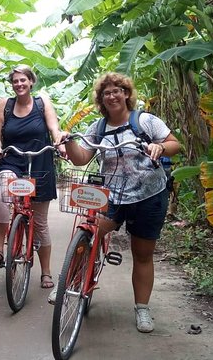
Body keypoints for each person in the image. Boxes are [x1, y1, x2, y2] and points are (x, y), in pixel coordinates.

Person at [59, 72, 180, 333]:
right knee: (87, 237)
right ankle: (69, 284)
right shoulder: (97, 128)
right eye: (106, 93)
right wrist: (69, 143)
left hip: (150, 195)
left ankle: (142, 309)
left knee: (142, 254)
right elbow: (81, 157)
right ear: (101, 99)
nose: (112, 96)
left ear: (126, 94)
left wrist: (160, 147)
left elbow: (174, 143)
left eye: (117, 91)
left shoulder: (145, 121)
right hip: (112, 196)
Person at [0, 65, 64, 290]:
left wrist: (59, 140)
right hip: (12, 161)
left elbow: (54, 128)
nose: (19, 84)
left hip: (40, 163)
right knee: (0, 194)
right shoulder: (6, 104)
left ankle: (46, 272)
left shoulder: (42, 103)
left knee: (40, 222)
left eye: (23, 80)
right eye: (15, 81)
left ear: (31, 82)